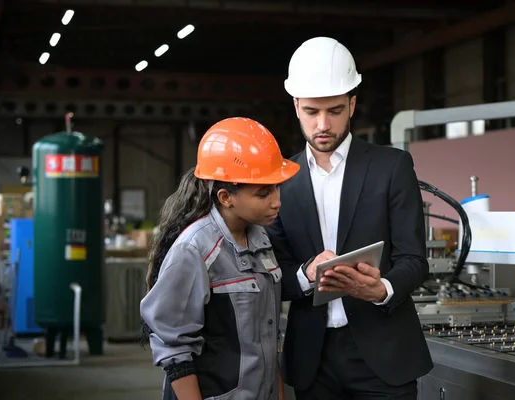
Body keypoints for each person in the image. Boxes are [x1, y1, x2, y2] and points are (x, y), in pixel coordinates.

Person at [265, 37, 433, 399]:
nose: (323, 124)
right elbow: (274, 273)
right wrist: (306, 274)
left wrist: (382, 289)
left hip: (384, 356)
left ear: (353, 104)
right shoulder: (282, 180)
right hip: (313, 358)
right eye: (312, 111)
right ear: (296, 106)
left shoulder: (392, 167)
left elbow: (414, 260)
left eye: (335, 110)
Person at [140, 117, 300, 400]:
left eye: (277, 188)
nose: (277, 201)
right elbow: (175, 350)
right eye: (264, 193)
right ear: (226, 197)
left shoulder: (261, 240)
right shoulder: (195, 249)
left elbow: (268, 335)